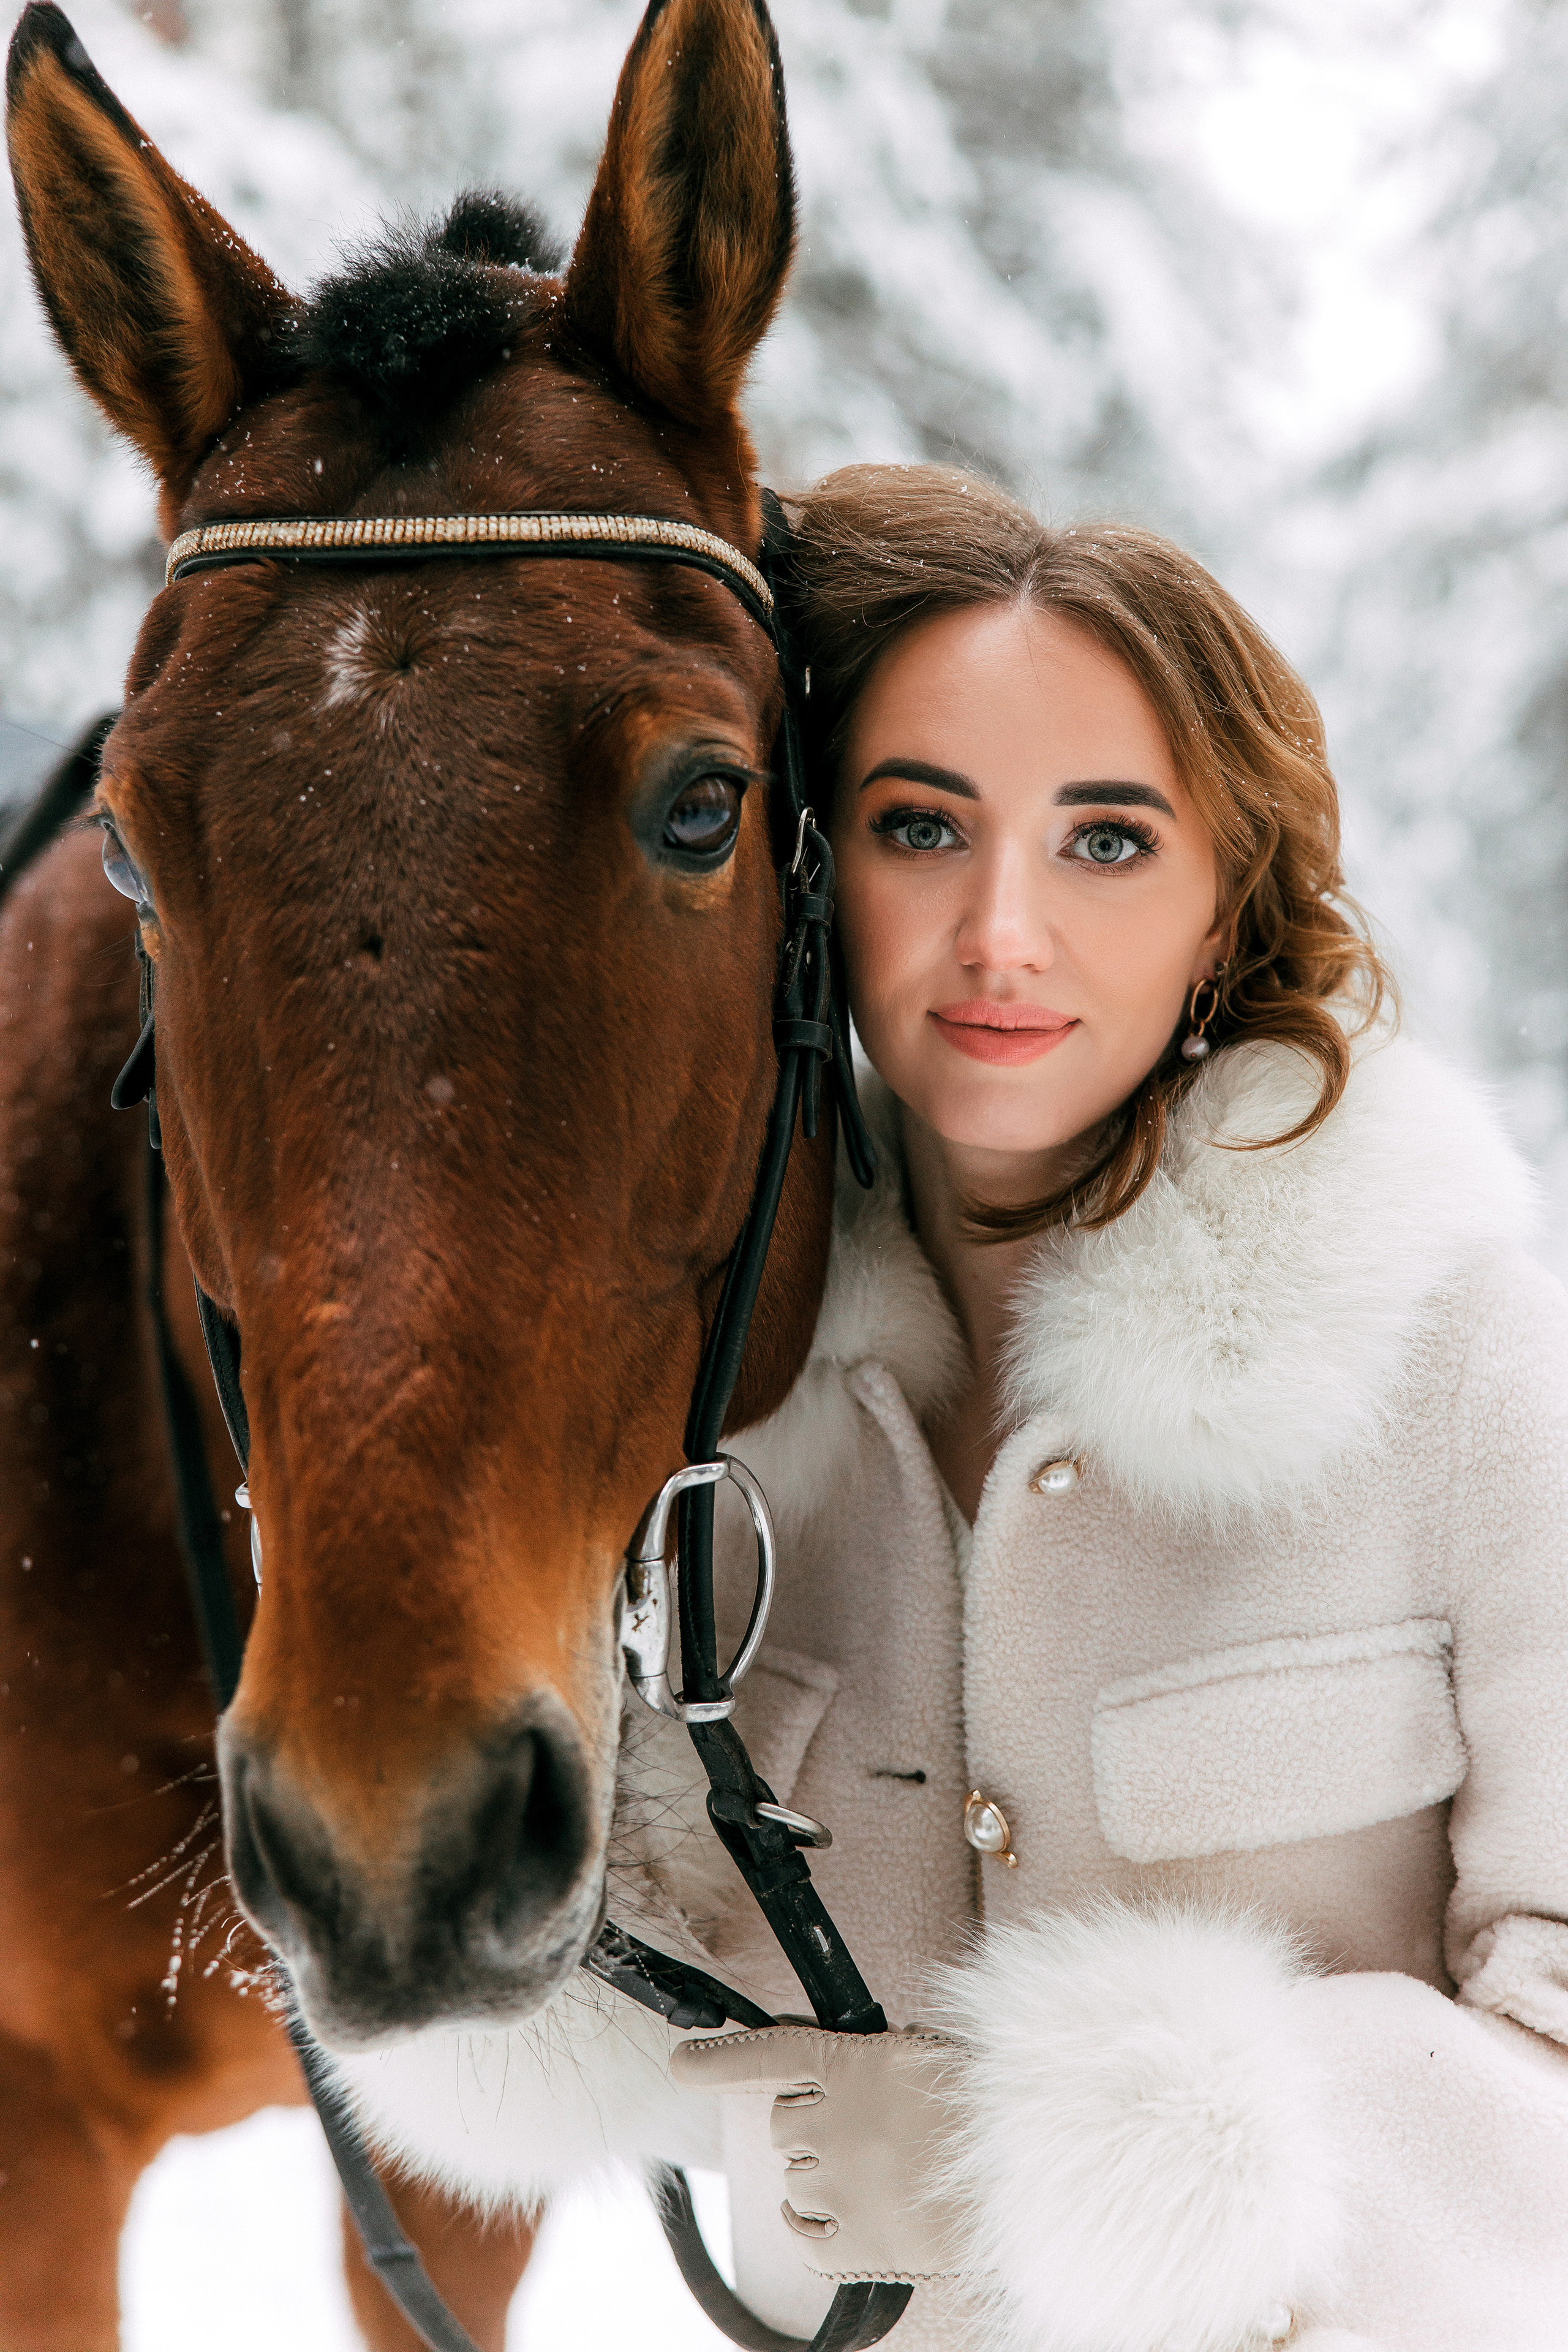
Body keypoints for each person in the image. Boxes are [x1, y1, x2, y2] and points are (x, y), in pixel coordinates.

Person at [336, 467, 1568, 2351]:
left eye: (1106, 842)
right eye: (924, 827)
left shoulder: (1463, 1341)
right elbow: (552, 1934)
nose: (1003, 931)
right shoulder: (694, 1374)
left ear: (1228, 897)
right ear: (809, 869)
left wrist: (1055, 2151)